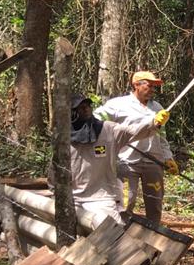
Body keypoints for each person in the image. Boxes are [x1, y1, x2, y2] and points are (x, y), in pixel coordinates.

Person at [71, 94, 168, 226]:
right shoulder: (64, 138)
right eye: (81, 107)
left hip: (102, 197)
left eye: (88, 106)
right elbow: (55, 175)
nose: (86, 109)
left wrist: (154, 123)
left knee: (112, 228)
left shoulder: (108, 129)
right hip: (73, 198)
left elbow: (134, 131)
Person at [95, 70, 177, 223]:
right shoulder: (118, 105)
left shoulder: (157, 108)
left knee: (155, 202)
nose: (152, 89)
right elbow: (96, 119)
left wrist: (168, 157)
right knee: (126, 203)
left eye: (154, 86)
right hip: (126, 162)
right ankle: (122, 232)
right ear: (136, 85)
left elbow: (162, 136)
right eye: (149, 85)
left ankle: (153, 233)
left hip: (153, 161)